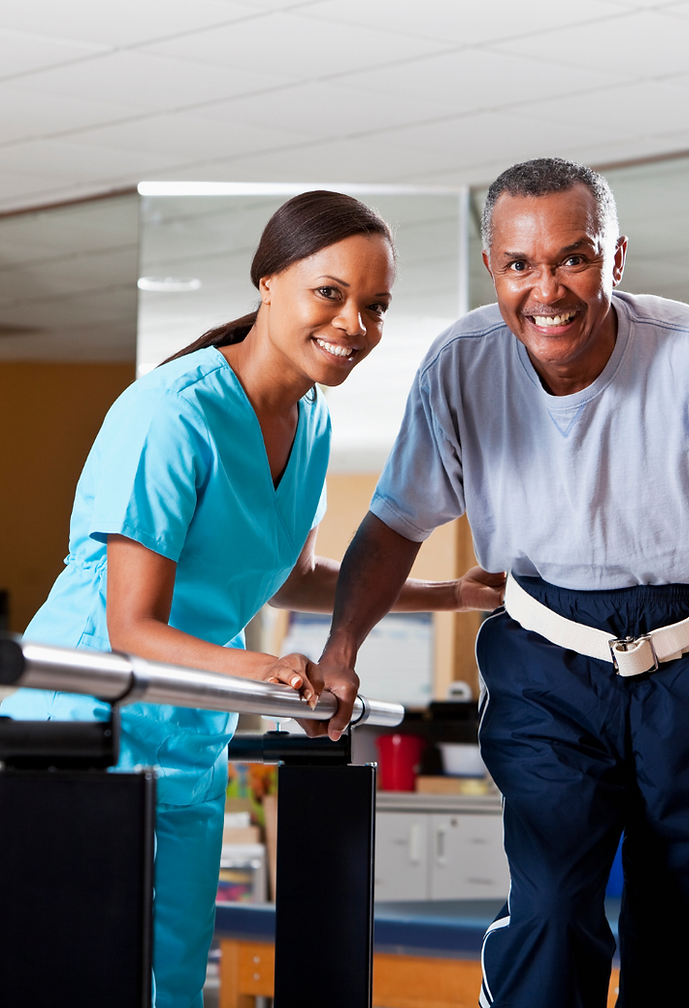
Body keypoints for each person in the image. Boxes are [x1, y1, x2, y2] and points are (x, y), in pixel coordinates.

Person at [309, 158, 689, 1007]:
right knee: (554, 910)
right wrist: (341, 651)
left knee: (686, 931)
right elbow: (393, 525)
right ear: (492, 268)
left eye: (574, 257)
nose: (546, 289)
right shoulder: (460, 365)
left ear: (617, 258)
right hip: (546, 665)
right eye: (520, 264)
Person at [0, 190, 504, 1008]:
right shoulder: (173, 414)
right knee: (83, 976)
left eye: (374, 306)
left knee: (170, 983)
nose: (355, 324)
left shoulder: (311, 423)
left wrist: (456, 592)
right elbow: (132, 625)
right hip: (87, 729)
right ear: (268, 281)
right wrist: (268, 668)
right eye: (330, 292)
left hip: (188, 733)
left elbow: (291, 576)